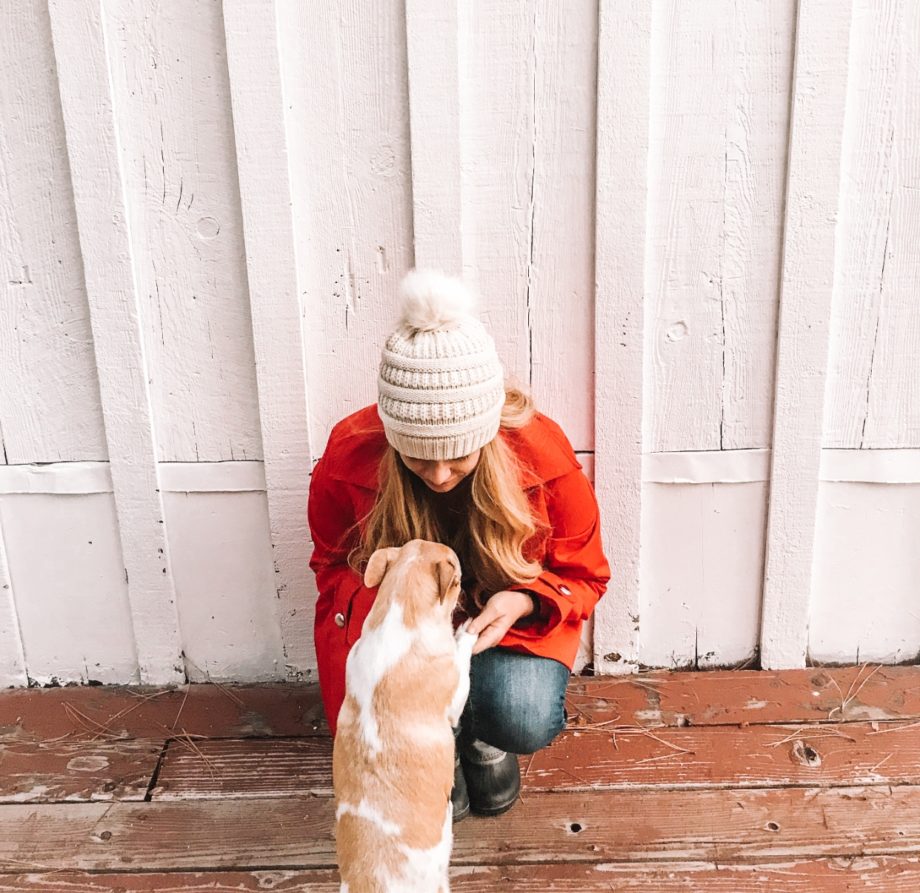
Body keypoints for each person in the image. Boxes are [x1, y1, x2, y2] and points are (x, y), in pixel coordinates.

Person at [307, 268, 611, 822]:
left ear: (488, 433)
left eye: (460, 455)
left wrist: (524, 598)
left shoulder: (543, 459)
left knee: (522, 712)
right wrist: (379, 628)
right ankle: (430, 750)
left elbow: (586, 573)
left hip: (500, 630)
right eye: (418, 457)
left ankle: (481, 738)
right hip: (408, 630)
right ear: (392, 437)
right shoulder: (348, 458)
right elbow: (331, 564)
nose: (441, 474)